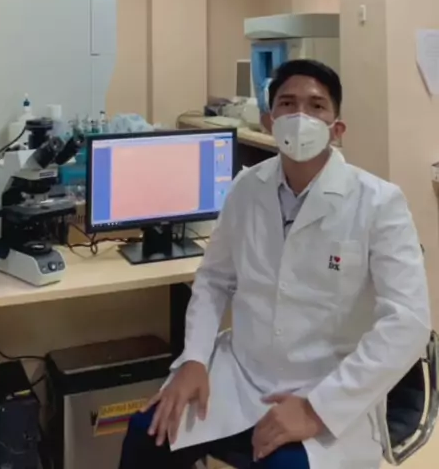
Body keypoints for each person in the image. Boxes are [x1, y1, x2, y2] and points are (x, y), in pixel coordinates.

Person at [119, 59, 431, 469]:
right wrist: (193, 359)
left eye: (316, 106)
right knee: (148, 433)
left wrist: (317, 409)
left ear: (337, 128)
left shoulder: (379, 203)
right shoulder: (246, 188)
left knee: (284, 466)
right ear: (269, 122)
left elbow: (408, 322)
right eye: (287, 103)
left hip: (328, 386)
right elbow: (214, 279)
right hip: (240, 376)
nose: (300, 117)